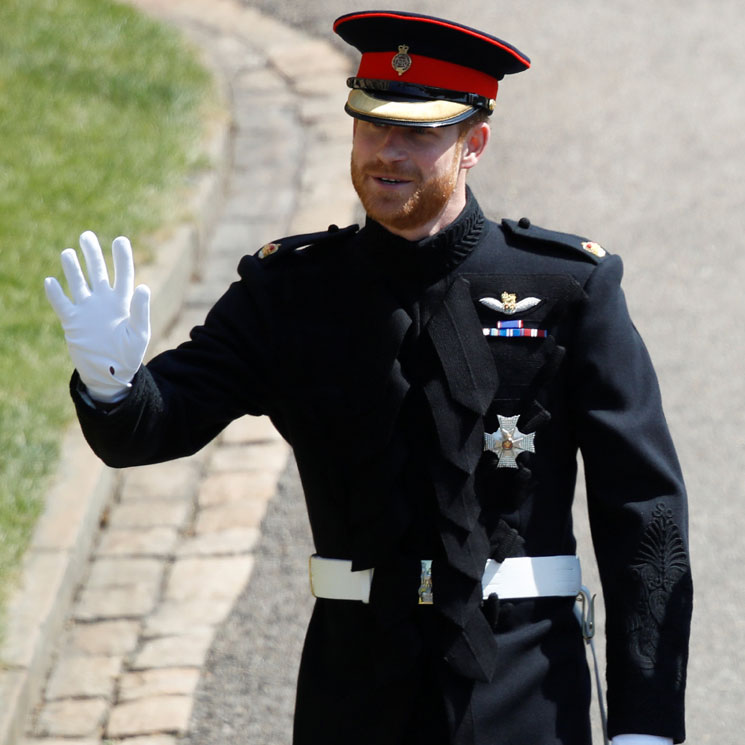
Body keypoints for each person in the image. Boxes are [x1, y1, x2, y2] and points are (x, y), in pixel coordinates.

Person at [44, 10, 692, 745]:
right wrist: (110, 381)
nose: (387, 152)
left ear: (473, 142)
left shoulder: (565, 289)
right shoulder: (290, 291)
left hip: (522, 680)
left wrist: (645, 727)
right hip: (353, 686)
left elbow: (644, 512)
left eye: (418, 133)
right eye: (372, 125)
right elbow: (158, 425)